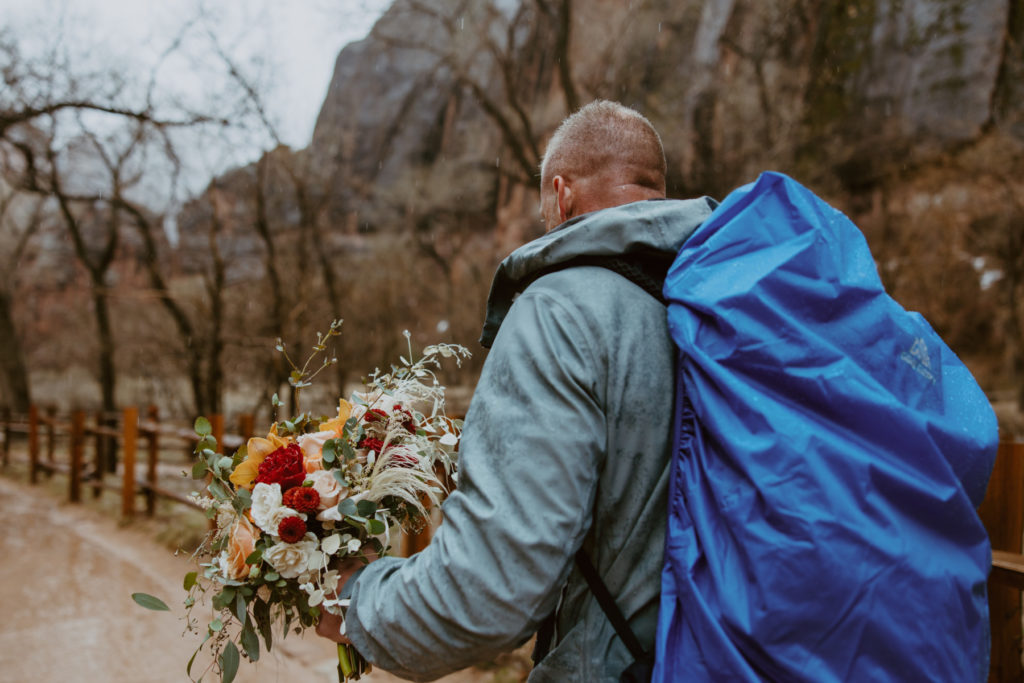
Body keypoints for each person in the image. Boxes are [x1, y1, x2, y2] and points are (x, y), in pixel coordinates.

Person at [317, 100, 716, 681]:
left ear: (563, 195)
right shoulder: (715, 305)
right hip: (726, 655)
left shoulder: (560, 312)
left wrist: (360, 601)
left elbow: (491, 590)